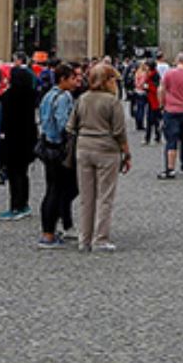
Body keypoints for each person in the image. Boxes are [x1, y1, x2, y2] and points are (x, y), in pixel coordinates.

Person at [68, 61, 132, 251]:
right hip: (106, 150)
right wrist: (126, 153)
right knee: (105, 197)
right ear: (107, 80)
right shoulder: (112, 101)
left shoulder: (82, 98)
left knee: (86, 198)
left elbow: (71, 126)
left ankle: (84, 239)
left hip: (83, 149)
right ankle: (100, 239)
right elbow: (119, 131)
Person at [37, 64, 80, 247]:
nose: (76, 82)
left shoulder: (48, 95)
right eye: (72, 78)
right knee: (62, 190)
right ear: (63, 79)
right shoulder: (64, 97)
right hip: (60, 148)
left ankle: (53, 229)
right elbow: (65, 124)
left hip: (47, 146)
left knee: (53, 189)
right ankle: (49, 234)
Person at [0, 59, 39, 218]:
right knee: (23, 174)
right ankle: (24, 204)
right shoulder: (31, 95)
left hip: (12, 142)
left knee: (14, 176)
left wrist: (0, 144)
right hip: (27, 141)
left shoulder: (9, 97)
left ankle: (15, 206)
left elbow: (3, 123)